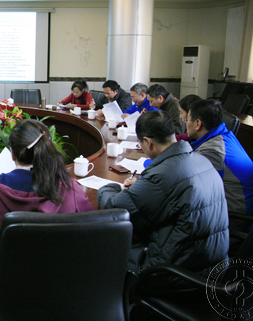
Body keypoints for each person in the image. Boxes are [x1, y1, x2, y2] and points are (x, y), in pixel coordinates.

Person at [0, 119, 93, 280]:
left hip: (3, 286)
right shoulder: (68, 186)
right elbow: (90, 220)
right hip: (57, 284)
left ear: (12, 153)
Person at [98, 111, 229, 276]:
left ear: (148, 142)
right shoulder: (200, 160)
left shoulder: (161, 177)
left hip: (175, 272)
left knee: (101, 248)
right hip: (212, 265)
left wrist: (109, 188)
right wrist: (142, 185)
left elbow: (115, 208)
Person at [187, 99, 253, 223]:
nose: (185, 123)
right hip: (239, 207)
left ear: (198, 123)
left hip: (235, 217)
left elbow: (189, 184)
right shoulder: (224, 135)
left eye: (187, 120)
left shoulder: (213, 150)